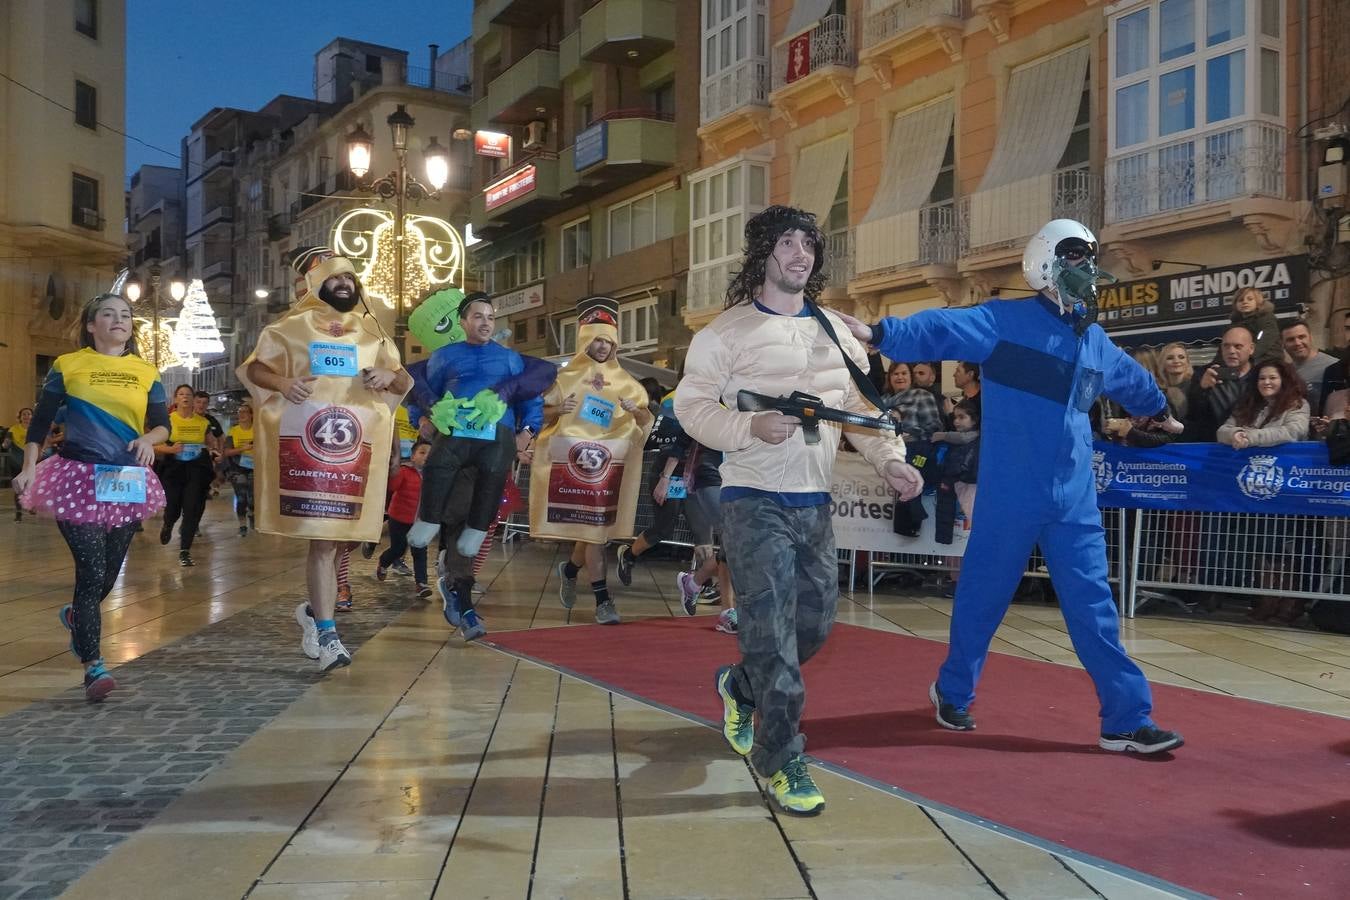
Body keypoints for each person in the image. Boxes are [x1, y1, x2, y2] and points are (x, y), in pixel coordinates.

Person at [839, 218, 1186, 756]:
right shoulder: (1003, 321)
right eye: (1076, 258)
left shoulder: (1092, 339)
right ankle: (952, 691)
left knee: (1094, 608)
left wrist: (1158, 412)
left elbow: (1131, 380)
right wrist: (882, 334)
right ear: (1046, 264)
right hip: (1009, 495)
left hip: (1074, 500)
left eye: (1091, 259)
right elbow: (943, 327)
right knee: (983, 598)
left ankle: (1126, 718)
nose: (1088, 270)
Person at [676, 205, 921, 816]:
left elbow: (864, 413)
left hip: (814, 502)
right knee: (771, 633)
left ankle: (739, 685)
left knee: (814, 626)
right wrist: (748, 424)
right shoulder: (723, 333)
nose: (799, 254)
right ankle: (782, 755)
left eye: (808, 245)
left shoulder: (839, 333)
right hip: (752, 499)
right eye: (786, 243)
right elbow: (692, 408)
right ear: (762, 254)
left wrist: (891, 461)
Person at [239, 246, 411, 672]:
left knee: (338, 543)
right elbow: (256, 368)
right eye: (336, 279)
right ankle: (330, 635)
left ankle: (315, 614)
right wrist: (282, 381)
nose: (344, 285)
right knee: (323, 539)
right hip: (308, 450)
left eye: (350, 279)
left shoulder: (374, 333)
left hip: (358, 453)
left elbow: (404, 377)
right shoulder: (290, 328)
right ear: (317, 285)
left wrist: (391, 376)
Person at [12, 293, 170, 701]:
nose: (119, 320)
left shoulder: (146, 370)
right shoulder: (69, 365)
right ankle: (93, 666)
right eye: (108, 314)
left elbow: (162, 425)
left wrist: (150, 439)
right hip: (77, 477)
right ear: (90, 325)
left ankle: (75, 618)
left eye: (125, 315)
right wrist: (28, 467)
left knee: (108, 574)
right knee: (91, 569)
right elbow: (42, 422)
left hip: (126, 479)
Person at [405, 290, 552, 641]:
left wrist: (526, 434)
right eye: (477, 317)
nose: (485, 323)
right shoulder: (443, 357)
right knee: (457, 521)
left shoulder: (511, 360)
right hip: (454, 450)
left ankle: (455, 584)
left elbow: (531, 399)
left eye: (490, 317)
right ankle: (465, 601)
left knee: (479, 525)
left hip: (494, 454)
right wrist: (422, 422)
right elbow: (420, 393)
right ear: (463, 322)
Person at [539, 296, 652, 626]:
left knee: (596, 533)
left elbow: (646, 420)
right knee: (593, 534)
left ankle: (571, 569)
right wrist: (554, 412)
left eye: (608, 340)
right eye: (597, 339)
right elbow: (539, 415)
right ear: (585, 340)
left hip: (608, 468)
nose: (603, 346)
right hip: (572, 466)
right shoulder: (563, 380)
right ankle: (603, 600)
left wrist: (638, 412)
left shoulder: (626, 383)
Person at [1217, 360, 1310, 623]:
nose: (1266, 383)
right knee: (1261, 546)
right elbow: (1222, 430)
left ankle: (1289, 599)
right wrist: (1236, 433)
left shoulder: (1297, 404)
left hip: (1285, 488)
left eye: (1272, 378)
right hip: (1252, 487)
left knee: (1283, 547)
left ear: (1284, 380)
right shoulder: (1249, 405)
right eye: (1262, 379)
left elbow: (1293, 432)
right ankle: (1265, 598)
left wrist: (1250, 438)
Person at [616, 380, 688, 590]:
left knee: (703, 529)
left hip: (700, 475)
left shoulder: (721, 401)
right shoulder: (672, 402)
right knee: (664, 528)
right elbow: (659, 440)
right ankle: (629, 555)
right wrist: (665, 477)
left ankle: (702, 582)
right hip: (670, 472)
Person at [155, 384, 215, 566]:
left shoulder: (203, 422)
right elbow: (152, 445)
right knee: (173, 508)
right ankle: (168, 523)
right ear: (175, 399)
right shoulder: (167, 420)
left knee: (192, 509)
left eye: (188, 394)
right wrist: (170, 449)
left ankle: (185, 551)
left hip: (196, 469)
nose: (185, 397)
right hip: (173, 469)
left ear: (193, 399)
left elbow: (210, 444)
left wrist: (214, 453)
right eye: (181, 394)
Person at [376, 440, 432, 598]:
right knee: (398, 549)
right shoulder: (404, 471)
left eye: (430, 454)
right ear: (413, 456)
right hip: (399, 518)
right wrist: (393, 472)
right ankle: (384, 562)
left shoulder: (434, 476)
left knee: (420, 550)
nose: (426, 456)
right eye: (422, 452)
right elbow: (393, 487)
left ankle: (421, 583)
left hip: (421, 521)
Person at [1183, 326, 1257, 443]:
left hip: (1254, 443)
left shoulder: (1262, 374)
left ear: (1251, 348)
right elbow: (1193, 415)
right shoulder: (1204, 373)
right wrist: (1202, 389)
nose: (1231, 351)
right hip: (1214, 446)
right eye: (1226, 346)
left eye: (1238, 346)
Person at [1280, 319, 1338, 416]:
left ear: (1310, 337)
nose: (1297, 343)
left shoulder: (1334, 366)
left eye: (1301, 337)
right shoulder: (1284, 372)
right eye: (1290, 339)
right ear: (1283, 344)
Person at [1225, 286, 1282, 367]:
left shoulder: (1267, 319)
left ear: (1258, 302)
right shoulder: (1233, 326)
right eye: (1241, 300)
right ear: (1236, 304)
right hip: (1246, 364)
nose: (1245, 302)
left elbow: (1264, 344)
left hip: (1269, 362)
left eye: (1250, 299)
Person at [222, 402, 256, 536]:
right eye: (239, 412)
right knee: (241, 497)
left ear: (251, 415)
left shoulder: (257, 430)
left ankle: (252, 513)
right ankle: (242, 524)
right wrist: (242, 449)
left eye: (244, 412)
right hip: (238, 468)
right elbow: (227, 452)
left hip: (255, 468)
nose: (241, 414)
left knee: (253, 497)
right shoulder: (233, 431)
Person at [3, 407, 32, 521]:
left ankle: (31, 505)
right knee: (18, 488)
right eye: (24, 414)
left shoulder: (35, 429)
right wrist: (6, 443)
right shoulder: (13, 429)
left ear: (32, 416)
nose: (26, 416)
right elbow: (6, 444)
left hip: (30, 462)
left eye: (28, 414)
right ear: (20, 417)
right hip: (16, 462)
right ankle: (18, 513)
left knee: (30, 486)